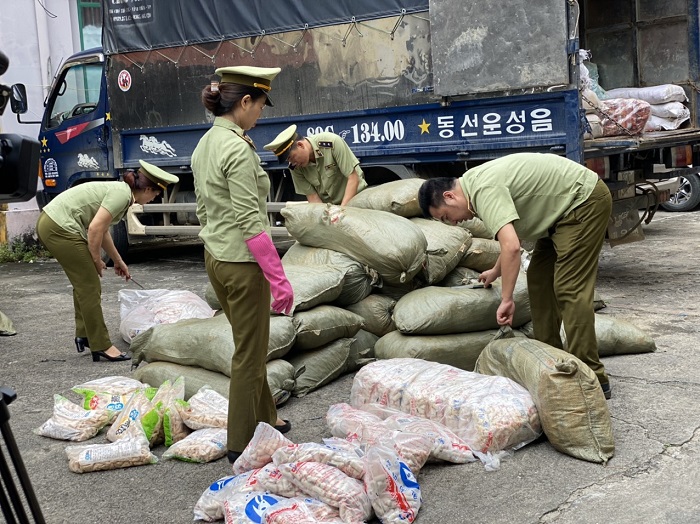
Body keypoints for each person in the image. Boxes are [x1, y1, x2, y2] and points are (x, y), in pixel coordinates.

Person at [418, 152, 613, 399]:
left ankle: (591, 377)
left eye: (447, 216)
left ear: (450, 196)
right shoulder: (476, 185)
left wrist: (507, 299)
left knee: (569, 288)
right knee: (539, 280)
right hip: (557, 216)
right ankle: (551, 361)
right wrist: (496, 270)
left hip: (583, 202)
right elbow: (512, 237)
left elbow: (511, 247)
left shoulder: (482, 189)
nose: (453, 223)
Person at [191, 66, 295, 465]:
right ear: (246, 101)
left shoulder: (205, 144)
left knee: (247, 345)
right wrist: (278, 277)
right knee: (249, 356)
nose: (261, 116)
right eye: (260, 106)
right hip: (243, 264)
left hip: (216, 259)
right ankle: (240, 443)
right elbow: (252, 223)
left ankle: (268, 417)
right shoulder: (235, 148)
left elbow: (203, 209)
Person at [35, 160, 179, 362]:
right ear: (147, 189)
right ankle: (101, 345)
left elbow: (102, 230)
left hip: (52, 223)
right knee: (89, 286)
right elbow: (94, 229)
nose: (154, 199)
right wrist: (95, 259)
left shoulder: (121, 193)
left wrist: (117, 260)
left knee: (84, 283)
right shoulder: (121, 195)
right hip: (59, 227)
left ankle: (85, 335)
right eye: (155, 194)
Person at [263, 124, 367, 205]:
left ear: (300, 145)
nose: (292, 163)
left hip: (356, 198)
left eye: (291, 157)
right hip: (331, 208)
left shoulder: (332, 143)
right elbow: (313, 198)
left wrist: (342, 212)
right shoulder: (295, 168)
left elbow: (353, 178)